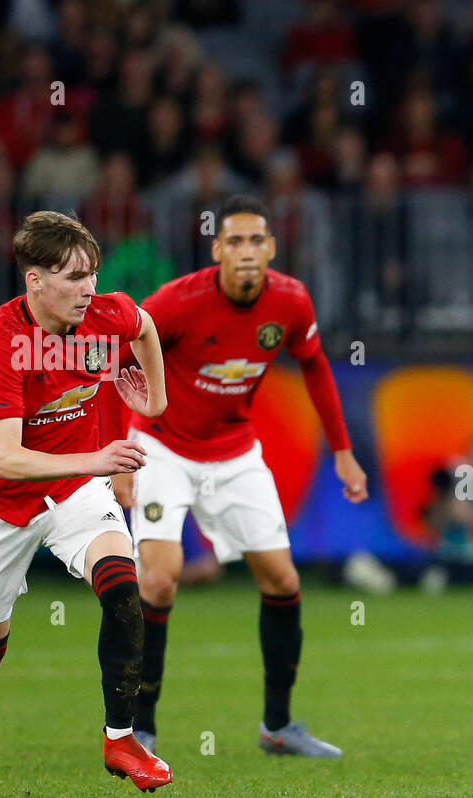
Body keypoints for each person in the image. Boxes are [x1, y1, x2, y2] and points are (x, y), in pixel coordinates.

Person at [0, 210, 171, 798]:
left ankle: (121, 738)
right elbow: (8, 459)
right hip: (0, 503)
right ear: (35, 281)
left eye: (92, 273)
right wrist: (100, 461)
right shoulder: (2, 343)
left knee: (121, 587)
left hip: (73, 490)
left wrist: (154, 402)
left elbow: (144, 326)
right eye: (73, 276)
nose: (89, 288)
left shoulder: (103, 312)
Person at [110, 195, 367, 757]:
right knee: (158, 579)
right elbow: (122, 363)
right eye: (235, 242)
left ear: (272, 248)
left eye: (257, 241)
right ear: (217, 250)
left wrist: (343, 452)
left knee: (282, 580)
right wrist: (126, 445)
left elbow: (317, 367)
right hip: (163, 447)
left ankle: (278, 726)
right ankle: (141, 729)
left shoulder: (291, 301)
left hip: (234, 453)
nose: (247, 252)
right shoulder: (176, 303)